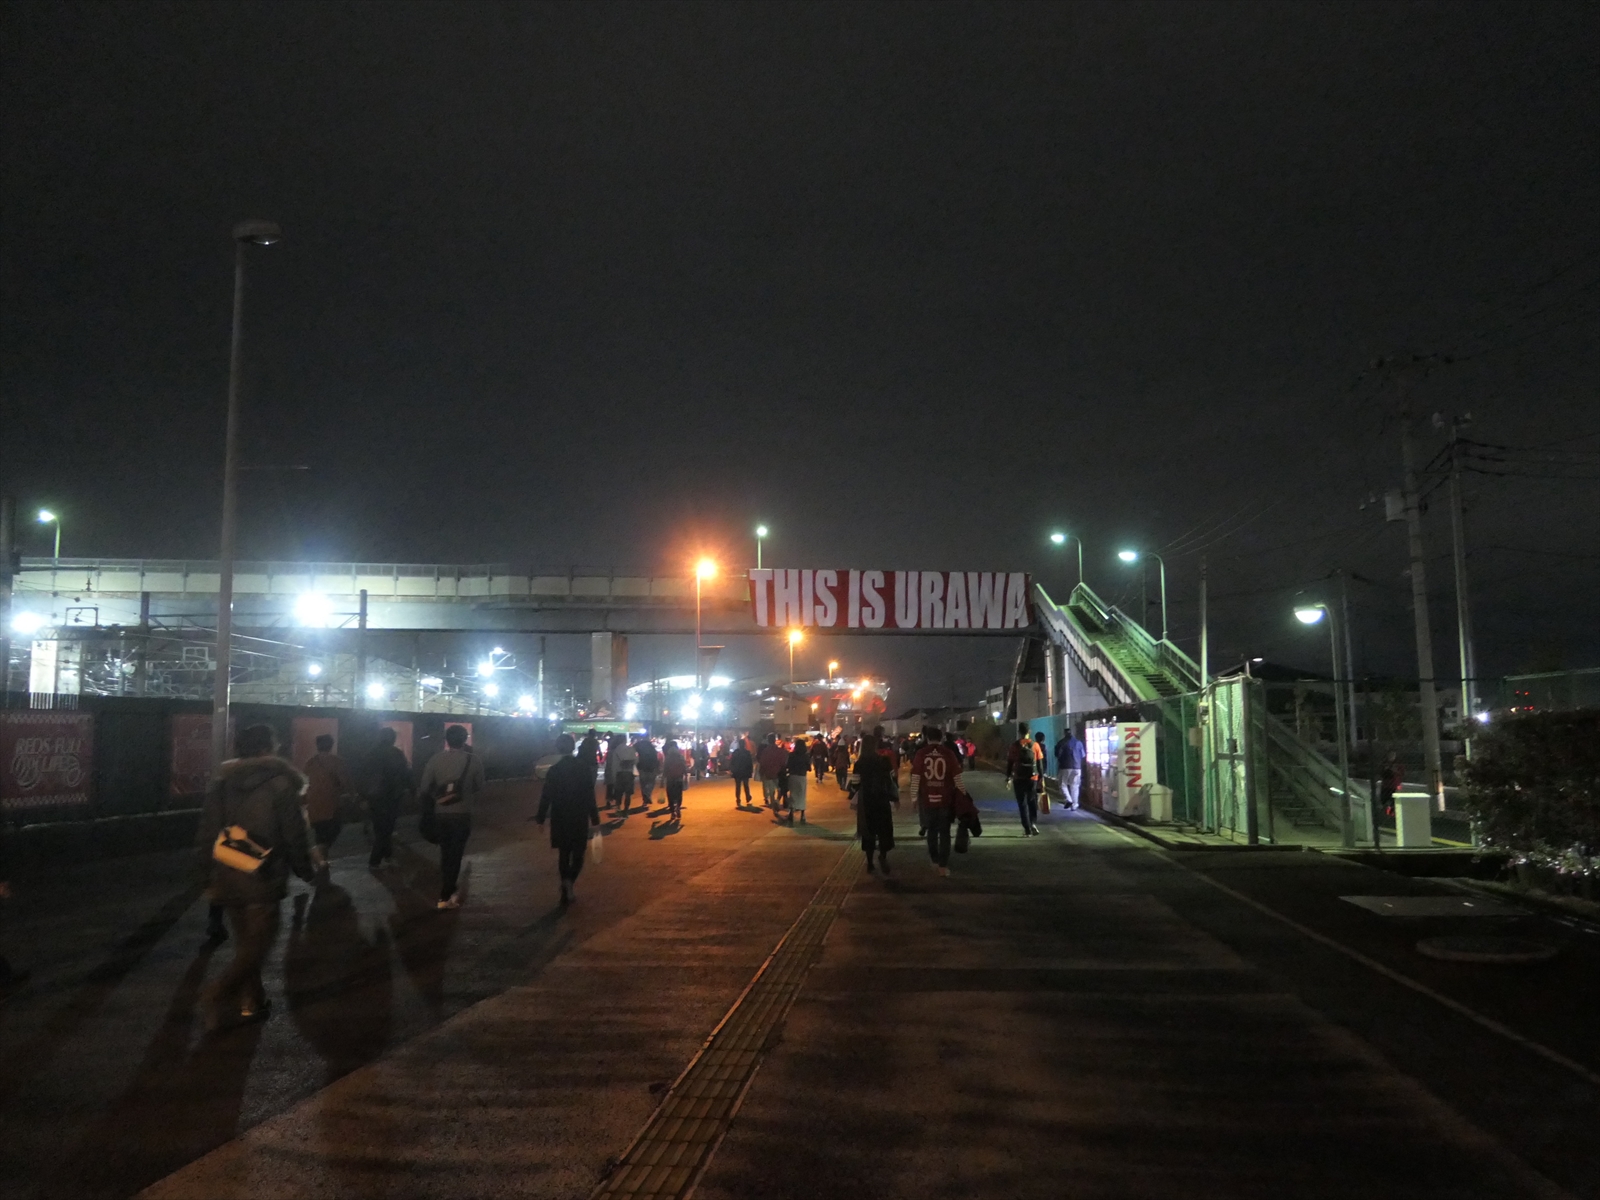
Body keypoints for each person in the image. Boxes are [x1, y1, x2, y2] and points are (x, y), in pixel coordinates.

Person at [196, 723, 315, 1030]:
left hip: (229, 868)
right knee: (259, 944)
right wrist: (305, 869)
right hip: (265, 872)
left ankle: (252, 1000)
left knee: (246, 944)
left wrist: (204, 872)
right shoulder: (281, 784)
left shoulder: (222, 783)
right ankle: (218, 992)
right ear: (268, 748)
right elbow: (294, 833)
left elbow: (208, 831)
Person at [417, 724, 486, 909]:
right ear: (464, 740)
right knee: (456, 853)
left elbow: (424, 787)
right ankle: (446, 894)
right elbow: (480, 786)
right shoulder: (474, 760)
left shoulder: (435, 759)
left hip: (441, 814)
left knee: (445, 852)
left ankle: (447, 887)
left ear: (446, 740)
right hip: (462, 813)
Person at [535, 734, 601, 906]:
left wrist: (540, 818)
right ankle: (570, 881)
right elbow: (589, 795)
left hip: (560, 816)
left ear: (558, 748)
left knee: (564, 853)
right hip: (579, 816)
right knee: (579, 854)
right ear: (573, 748)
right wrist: (595, 819)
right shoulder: (583, 768)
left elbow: (546, 795)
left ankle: (566, 883)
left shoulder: (554, 770)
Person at [912, 724, 966, 875]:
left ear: (927, 738)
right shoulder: (948, 753)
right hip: (945, 799)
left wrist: (914, 796)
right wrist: (962, 794)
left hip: (927, 798)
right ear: (941, 738)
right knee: (945, 831)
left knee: (931, 830)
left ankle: (934, 860)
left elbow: (916, 776)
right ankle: (943, 864)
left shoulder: (921, 753)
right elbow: (957, 776)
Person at [302, 733, 357, 872]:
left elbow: (304, 782)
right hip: (331, 804)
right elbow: (345, 781)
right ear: (331, 745)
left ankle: (322, 860)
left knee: (319, 832)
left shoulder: (310, 762)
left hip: (313, 804)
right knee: (333, 830)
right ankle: (319, 856)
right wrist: (352, 795)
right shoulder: (337, 761)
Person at [362, 727, 412, 869]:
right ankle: (375, 860)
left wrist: (363, 795)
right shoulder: (396, 754)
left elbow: (363, 775)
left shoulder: (371, 753)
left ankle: (387, 854)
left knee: (379, 827)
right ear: (392, 738)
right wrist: (411, 789)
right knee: (387, 828)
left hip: (374, 795)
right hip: (391, 795)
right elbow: (405, 773)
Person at [851, 733, 897, 873]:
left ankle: (870, 862)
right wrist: (895, 798)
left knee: (868, 831)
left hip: (866, 801)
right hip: (882, 799)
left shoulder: (859, 763)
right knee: (884, 829)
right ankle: (883, 856)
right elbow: (891, 780)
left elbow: (855, 784)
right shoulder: (884, 761)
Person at [1005, 723, 1041, 836]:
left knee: (1022, 803)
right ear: (1029, 731)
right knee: (1032, 801)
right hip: (1032, 778)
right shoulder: (1035, 745)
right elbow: (1039, 764)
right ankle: (1033, 823)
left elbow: (1010, 763)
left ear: (1019, 732)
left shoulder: (1014, 746)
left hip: (1019, 777)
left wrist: (1008, 777)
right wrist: (1041, 778)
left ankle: (1027, 829)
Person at [1054, 726, 1085, 810]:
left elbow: (1057, 755)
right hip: (1077, 767)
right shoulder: (1078, 742)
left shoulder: (1061, 743)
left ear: (1064, 733)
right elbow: (1083, 755)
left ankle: (1068, 799)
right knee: (1075, 786)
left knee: (1062, 784)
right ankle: (1075, 805)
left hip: (1065, 766)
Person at [785, 736, 811, 825]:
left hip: (793, 776)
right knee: (802, 796)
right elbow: (809, 768)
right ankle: (802, 815)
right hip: (802, 777)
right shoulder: (806, 756)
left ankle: (791, 813)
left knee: (793, 795)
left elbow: (787, 765)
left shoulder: (791, 755)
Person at [757, 733, 786, 809]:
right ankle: (777, 800)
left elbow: (762, 762)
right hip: (778, 773)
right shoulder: (779, 750)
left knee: (770, 789)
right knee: (779, 788)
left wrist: (761, 772)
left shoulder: (765, 751)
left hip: (768, 773)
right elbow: (783, 762)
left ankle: (772, 803)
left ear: (768, 740)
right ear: (774, 740)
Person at [611, 734, 638, 813]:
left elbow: (614, 765)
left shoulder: (616, 750)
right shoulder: (631, 749)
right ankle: (626, 810)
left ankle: (618, 808)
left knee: (619, 793)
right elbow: (636, 760)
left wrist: (613, 777)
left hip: (620, 774)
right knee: (628, 794)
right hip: (629, 773)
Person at [662, 738, 688, 820]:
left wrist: (662, 780)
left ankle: (672, 812)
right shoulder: (680, 757)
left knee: (670, 795)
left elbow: (665, 769)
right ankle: (678, 807)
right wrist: (685, 776)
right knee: (679, 794)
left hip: (670, 779)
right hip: (679, 778)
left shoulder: (668, 758)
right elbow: (684, 767)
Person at [729, 735, 755, 807]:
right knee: (746, 785)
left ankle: (738, 799)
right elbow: (750, 763)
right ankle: (748, 797)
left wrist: (732, 770)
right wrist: (751, 771)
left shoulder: (735, 752)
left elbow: (732, 762)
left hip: (737, 771)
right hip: (745, 771)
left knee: (738, 786)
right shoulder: (747, 753)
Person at [636, 735, 661, 807]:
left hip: (642, 767)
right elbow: (656, 758)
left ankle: (645, 799)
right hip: (651, 768)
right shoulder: (652, 747)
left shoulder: (639, 745)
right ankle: (647, 795)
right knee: (651, 783)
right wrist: (657, 767)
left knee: (643, 784)